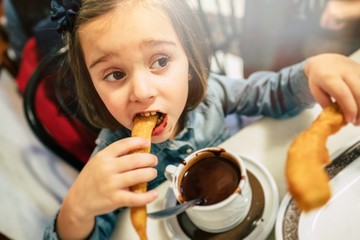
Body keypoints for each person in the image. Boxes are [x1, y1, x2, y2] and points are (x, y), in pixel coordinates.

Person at [44, 0, 360, 239]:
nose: (141, 91)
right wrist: (76, 210)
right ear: (91, 85)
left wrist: (311, 72)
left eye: (161, 60)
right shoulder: (114, 158)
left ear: (189, 58)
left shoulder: (211, 95)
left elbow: (271, 94)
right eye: (114, 74)